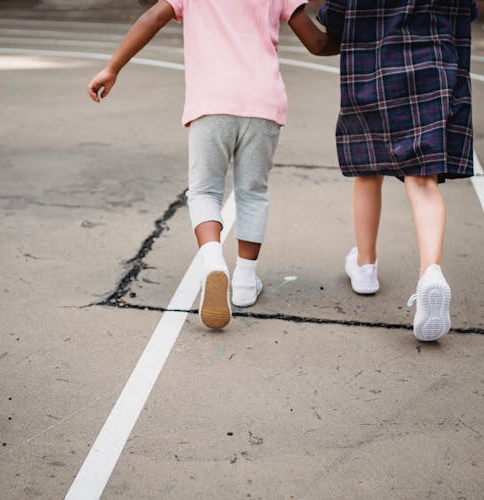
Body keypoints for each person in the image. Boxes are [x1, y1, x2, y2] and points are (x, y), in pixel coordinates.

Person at [87, 1, 338, 329]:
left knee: (205, 190)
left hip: (212, 102)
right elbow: (317, 44)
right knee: (253, 192)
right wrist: (368, 36)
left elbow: (153, 17)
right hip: (263, 103)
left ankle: (212, 260)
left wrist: (113, 68)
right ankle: (246, 283)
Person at [317, 0, 478, 341]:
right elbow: (463, 17)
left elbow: (334, 18)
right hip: (435, 64)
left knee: (367, 166)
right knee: (422, 180)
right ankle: (430, 272)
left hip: (373, 68)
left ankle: (365, 266)